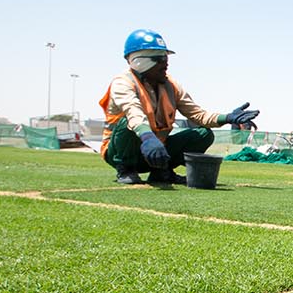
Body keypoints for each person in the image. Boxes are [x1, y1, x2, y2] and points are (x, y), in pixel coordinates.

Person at [98, 29, 259, 184]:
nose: (166, 64)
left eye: (166, 58)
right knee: (128, 123)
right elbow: (133, 113)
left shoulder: (171, 85)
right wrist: (147, 137)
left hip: (157, 152)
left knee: (203, 134)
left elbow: (198, 115)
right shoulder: (123, 83)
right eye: (160, 59)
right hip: (122, 152)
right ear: (140, 62)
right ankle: (126, 169)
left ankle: (162, 170)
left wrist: (228, 118)